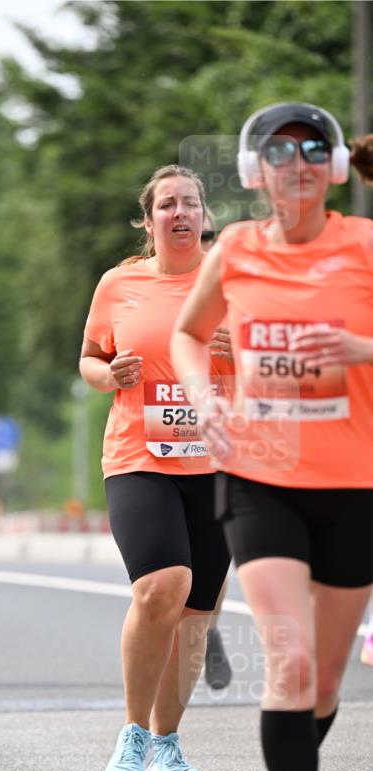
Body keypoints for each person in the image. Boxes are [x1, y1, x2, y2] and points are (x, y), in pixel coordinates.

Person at [171, 103, 373, 771]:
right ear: (257, 169)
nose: (295, 162)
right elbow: (189, 336)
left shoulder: (363, 247)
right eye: (279, 150)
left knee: (323, 683)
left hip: (352, 481)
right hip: (258, 476)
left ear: (329, 168)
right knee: (287, 664)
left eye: (311, 149)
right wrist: (201, 399)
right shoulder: (237, 249)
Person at [80, 165, 231, 771]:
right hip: (139, 457)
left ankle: (168, 742)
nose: (179, 212)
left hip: (218, 463)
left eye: (190, 203)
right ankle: (133, 732)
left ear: (202, 216)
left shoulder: (232, 283)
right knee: (162, 589)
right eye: (166, 204)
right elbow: (90, 357)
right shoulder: (120, 283)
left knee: (195, 618)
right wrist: (108, 375)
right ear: (149, 221)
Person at [200, 211, 233, 693]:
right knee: (165, 570)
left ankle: (205, 624)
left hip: (225, 442)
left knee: (214, 559)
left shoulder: (239, 289)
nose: (204, 241)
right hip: (158, 450)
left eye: (212, 234)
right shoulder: (140, 284)